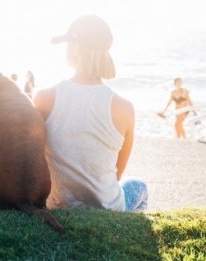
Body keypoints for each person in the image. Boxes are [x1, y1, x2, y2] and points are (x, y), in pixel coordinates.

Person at [34, 15, 147, 212]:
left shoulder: (44, 98)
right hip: (108, 208)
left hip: (58, 205)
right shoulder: (124, 108)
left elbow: (36, 157)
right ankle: (129, 233)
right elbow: (117, 174)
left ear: (75, 48)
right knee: (139, 186)